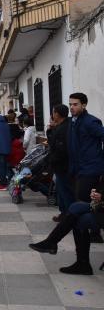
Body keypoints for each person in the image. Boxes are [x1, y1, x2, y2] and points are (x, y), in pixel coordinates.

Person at [29, 178, 104, 275]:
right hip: (99, 207)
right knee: (77, 211)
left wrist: (101, 196)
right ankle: (81, 263)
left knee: (79, 216)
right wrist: (96, 193)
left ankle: (52, 243)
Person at [67, 92, 104, 242]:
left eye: (75, 104)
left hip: (91, 168)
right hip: (80, 168)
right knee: (85, 201)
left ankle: (93, 233)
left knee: (84, 202)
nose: (72, 107)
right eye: (70, 104)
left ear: (84, 105)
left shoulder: (90, 122)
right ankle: (92, 232)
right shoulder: (74, 122)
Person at [47, 104, 73, 221]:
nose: (52, 115)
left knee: (65, 192)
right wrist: (51, 130)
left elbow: (59, 148)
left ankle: (68, 216)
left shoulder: (63, 128)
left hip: (63, 166)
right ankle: (64, 213)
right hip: (62, 165)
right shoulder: (63, 125)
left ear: (57, 114)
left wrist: (52, 160)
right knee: (61, 191)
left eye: (53, 112)